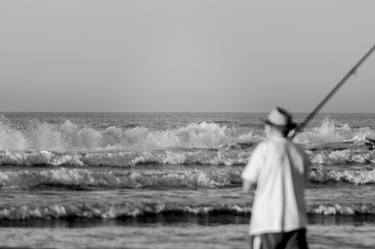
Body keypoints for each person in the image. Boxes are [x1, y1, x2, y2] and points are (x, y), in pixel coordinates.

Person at [241, 107, 310, 249]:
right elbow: (303, 183)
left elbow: (247, 186)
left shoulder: (263, 149)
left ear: (271, 128)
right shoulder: (300, 152)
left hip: (266, 224)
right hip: (296, 224)